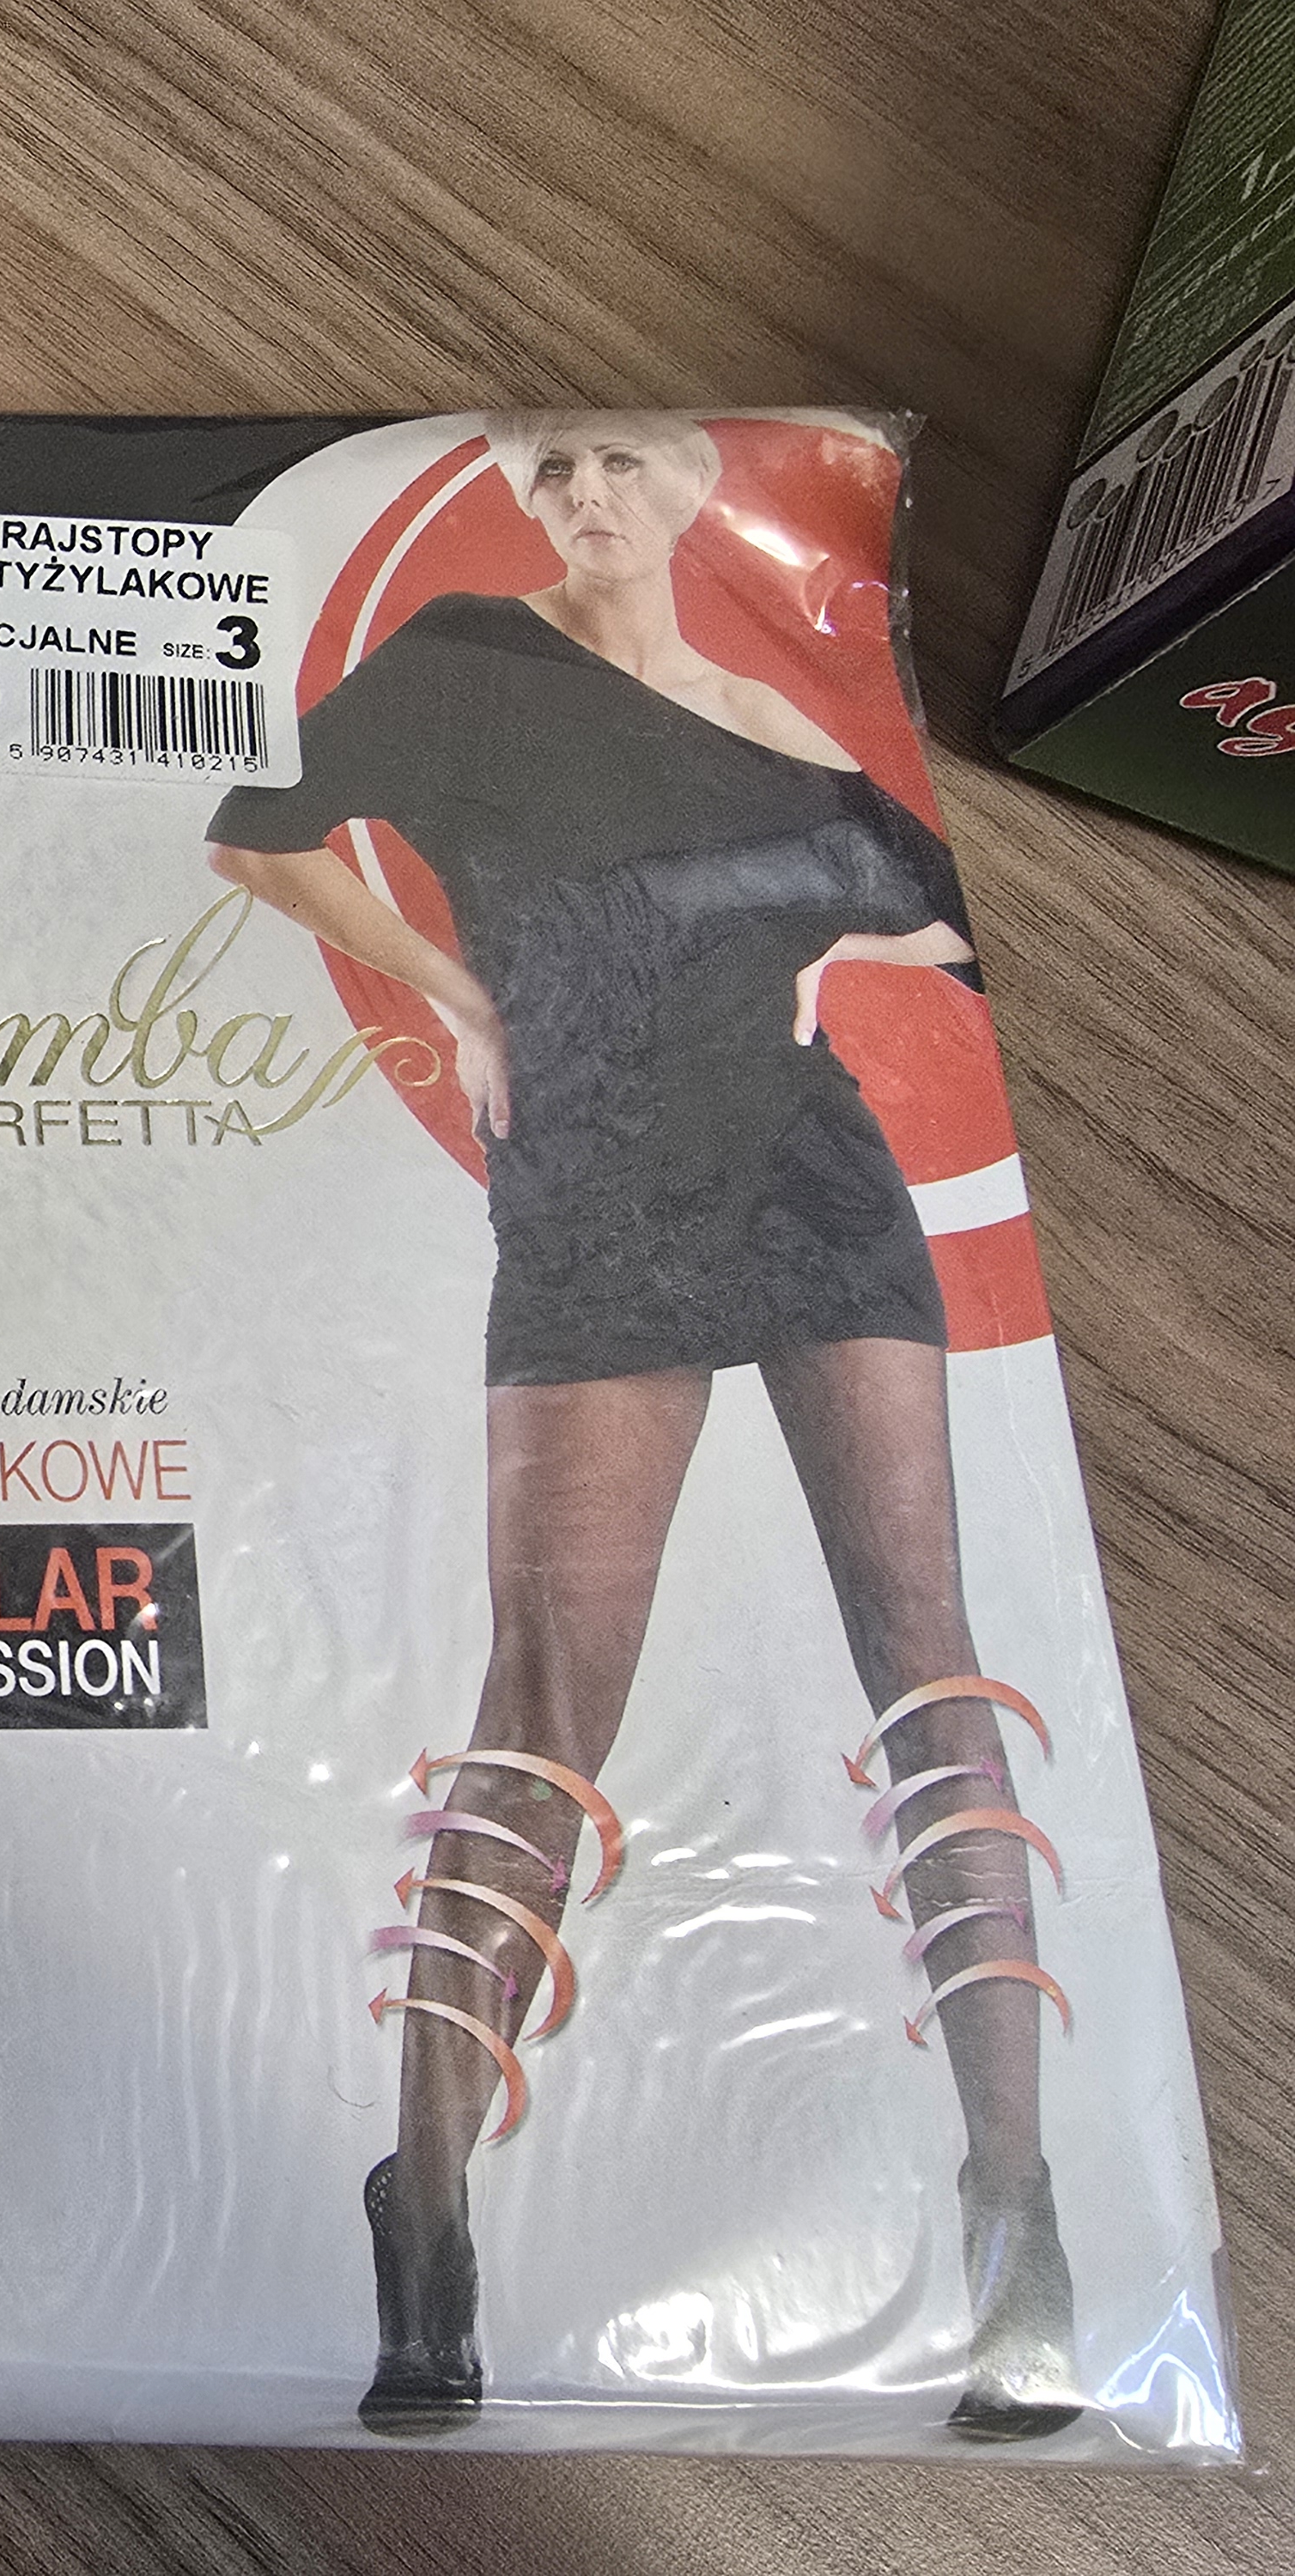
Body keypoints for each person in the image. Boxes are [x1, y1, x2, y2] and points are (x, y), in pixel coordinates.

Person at [202, 412, 1075, 2442]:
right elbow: (256, 831)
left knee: (924, 1655)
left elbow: (935, 911)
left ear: (690, 483)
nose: (578, 496)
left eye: (613, 463)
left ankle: (1013, 2211)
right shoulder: (461, 662)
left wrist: (816, 943)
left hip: (812, 1176)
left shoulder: (772, 707)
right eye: (546, 469)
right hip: (592, 1176)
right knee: (544, 1702)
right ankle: (425, 2202)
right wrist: (460, 996)